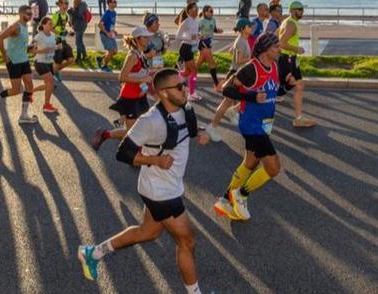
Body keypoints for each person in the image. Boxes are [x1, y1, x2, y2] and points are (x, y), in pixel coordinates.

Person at [77, 69, 207, 294]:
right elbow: (123, 153)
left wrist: (201, 132)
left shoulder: (186, 109)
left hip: (165, 185)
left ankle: (92, 253)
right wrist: (155, 159)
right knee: (187, 241)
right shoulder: (150, 120)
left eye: (184, 84)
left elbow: (191, 129)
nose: (185, 89)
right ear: (164, 93)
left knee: (148, 232)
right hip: (161, 191)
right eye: (179, 87)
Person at [211, 34, 283, 222]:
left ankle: (225, 200)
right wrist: (251, 97)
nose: (280, 49)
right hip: (252, 125)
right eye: (276, 47)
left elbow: (271, 90)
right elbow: (226, 89)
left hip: (265, 123)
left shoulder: (274, 66)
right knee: (273, 168)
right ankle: (241, 195)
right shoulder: (251, 69)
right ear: (266, 48)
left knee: (249, 163)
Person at [90, 27, 154, 150]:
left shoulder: (141, 54)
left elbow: (139, 72)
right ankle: (105, 134)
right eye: (145, 37)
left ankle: (134, 148)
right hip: (130, 98)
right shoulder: (133, 56)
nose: (148, 39)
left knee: (141, 126)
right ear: (138, 39)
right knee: (132, 132)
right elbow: (122, 77)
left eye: (148, 36)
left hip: (140, 95)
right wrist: (143, 80)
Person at [0, 6, 46, 122]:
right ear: (21, 13)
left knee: (29, 86)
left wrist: (29, 48)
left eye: (31, 14)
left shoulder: (24, 26)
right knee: (16, 90)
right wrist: (4, 56)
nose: (30, 15)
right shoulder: (15, 26)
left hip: (24, 60)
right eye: (28, 13)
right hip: (14, 62)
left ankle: (23, 116)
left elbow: (20, 45)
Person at [204, 18, 254, 141]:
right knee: (226, 103)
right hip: (235, 75)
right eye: (249, 26)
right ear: (243, 29)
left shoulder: (242, 40)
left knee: (247, 97)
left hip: (240, 75)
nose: (251, 28)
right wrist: (252, 59)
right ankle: (212, 127)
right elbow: (238, 60)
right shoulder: (241, 41)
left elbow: (231, 51)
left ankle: (233, 112)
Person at [277, 1, 316, 129]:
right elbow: (281, 43)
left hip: (292, 59)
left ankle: (298, 118)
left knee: (299, 85)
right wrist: (296, 49)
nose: (302, 12)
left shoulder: (288, 22)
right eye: (300, 10)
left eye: (303, 10)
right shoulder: (291, 24)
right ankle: (239, 107)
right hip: (287, 59)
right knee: (285, 87)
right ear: (293, 10)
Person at [174, 2, 202, 102]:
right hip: (185, 47)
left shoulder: (196, 21)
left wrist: (198, 36)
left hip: (191, 48)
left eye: (198, 9)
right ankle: (192, 93)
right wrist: (190, 37)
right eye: (195, 9)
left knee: (187, 72)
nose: (197, 10)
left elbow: (195, 34)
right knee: (194, 70)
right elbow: (177, 36)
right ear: (189, 10)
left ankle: (174, 75)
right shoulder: (186, 21)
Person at [51, 0, 76, 83]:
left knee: (71, 59)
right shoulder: (56, 15)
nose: (66, 5)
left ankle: (54, 71)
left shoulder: (66, 15)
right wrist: (59, 33)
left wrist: (70, 31)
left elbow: (66, 26)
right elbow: (50, 28)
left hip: (63, 41)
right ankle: (53, 74)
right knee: (58, 61)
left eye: (67, 3)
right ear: (59, 5)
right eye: (64, 3)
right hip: (56, 41)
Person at [197, 5, 220, 88]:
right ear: (205, 12)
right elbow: (196, 31)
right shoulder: (201, 21)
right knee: (212, 64)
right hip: (203, 43)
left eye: (212, 11)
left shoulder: (213, 20)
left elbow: (214, 29)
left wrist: (218, 31)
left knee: (197, 64)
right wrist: (199, 35)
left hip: (209, 43)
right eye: (210, 11)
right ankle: (217, 85)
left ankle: (184, 76)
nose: (211, 13)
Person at [97, 0, 119, 72]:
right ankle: (104, 66)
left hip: (111, 34)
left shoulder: (114, 13)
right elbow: (100, 24)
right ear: (108, 4)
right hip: (104, 34)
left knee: (115, 51)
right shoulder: (107, 13)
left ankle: (100, 58)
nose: (113, 3)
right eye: (112, 2)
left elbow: (111, 24)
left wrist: (114, 31)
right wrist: (107, 33)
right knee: (111, 51)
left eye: (115, 2)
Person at [71, 0, 91, 64]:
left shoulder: (82, 5)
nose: (74, 0)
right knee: (80, 41)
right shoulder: (76, 5)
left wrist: (73, 11)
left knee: (78, 42)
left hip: (81, 25)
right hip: (77, 25)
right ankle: (85, 56)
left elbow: (79, 15)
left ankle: (79, 58)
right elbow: (75, 16)